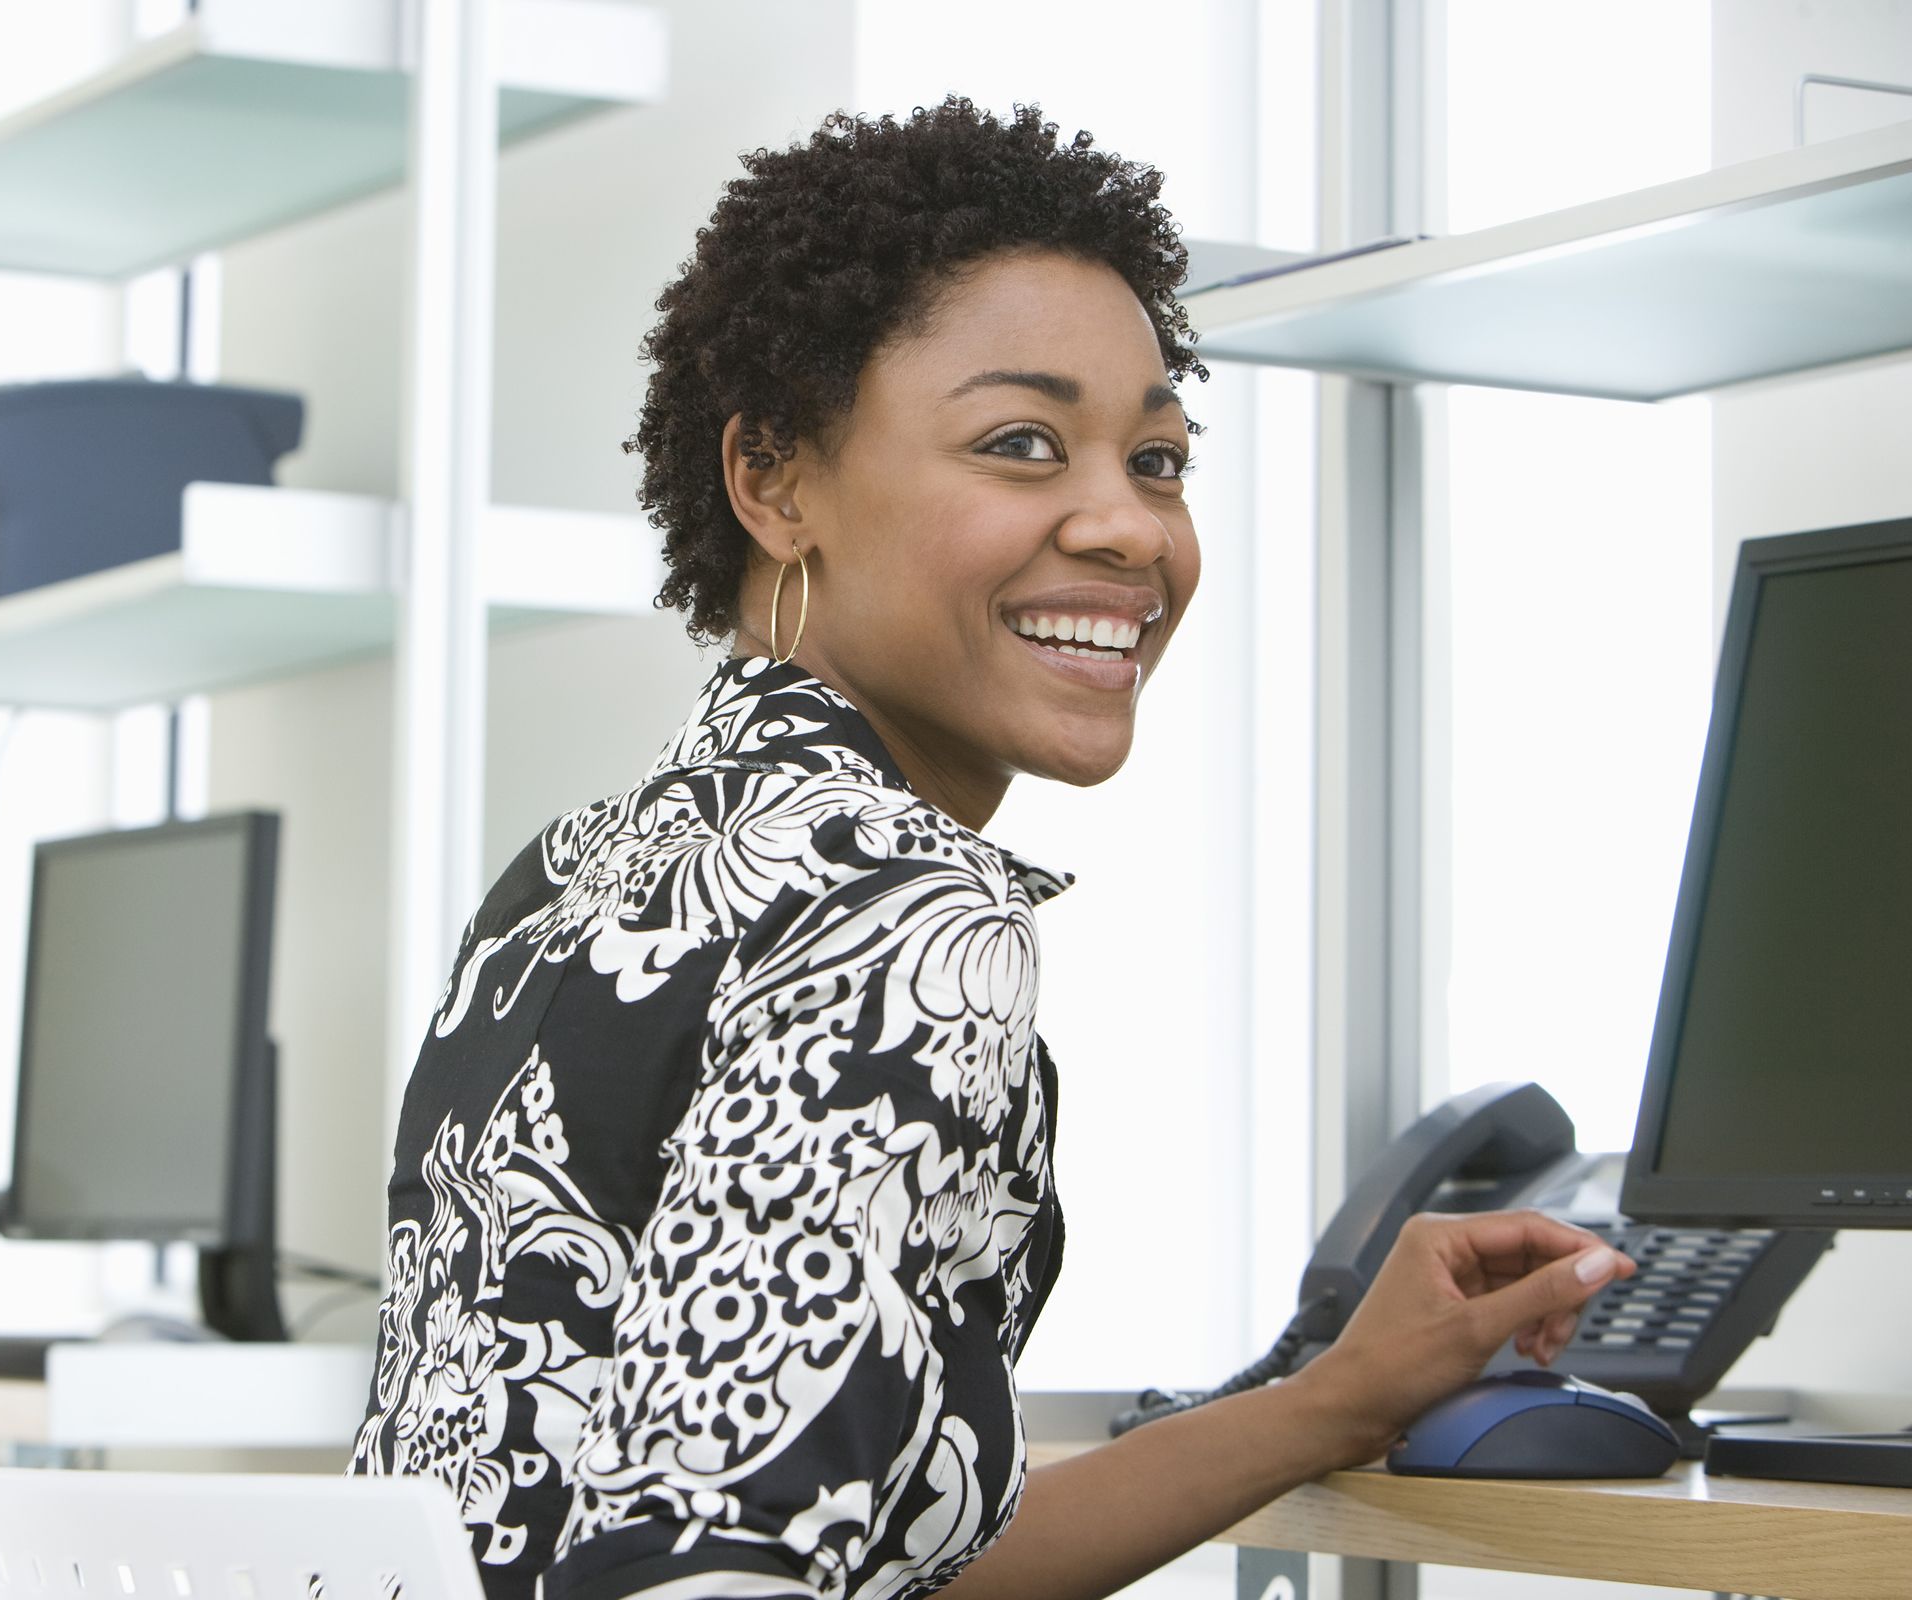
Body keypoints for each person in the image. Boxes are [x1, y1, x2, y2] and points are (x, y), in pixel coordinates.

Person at [349, 97, 1634, 1600]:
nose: (1131, 528)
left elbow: (830, 1551)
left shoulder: (576, 869)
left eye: (1157, 458)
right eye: (1022, 445)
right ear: (772, 481)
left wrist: (1334, 1401)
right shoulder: (903, 915)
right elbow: (706, 1577)